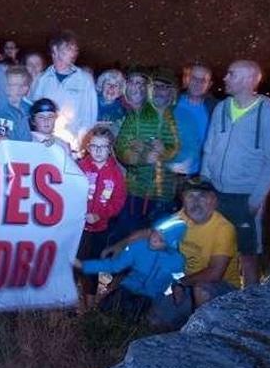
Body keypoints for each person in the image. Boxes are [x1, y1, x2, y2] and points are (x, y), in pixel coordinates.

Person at [106, 181, 240, 329]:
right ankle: (186, 323)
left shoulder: (223, 228)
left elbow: (215, 273)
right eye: (190, 196)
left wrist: (180, 283)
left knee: (202, 289)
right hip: (187, 284)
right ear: (183, 199)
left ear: (213, 200)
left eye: (202, 196)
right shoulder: (181, 217)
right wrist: (120, 245)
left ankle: (201, 336)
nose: (196, 202)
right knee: (152, 321)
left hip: (222, 291)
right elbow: (150, 233)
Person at [201, 60, 270, 287]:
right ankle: (221, 299)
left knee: (247, 255)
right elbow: (209, 147)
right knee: (216, 250)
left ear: (248, 79)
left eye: (231, 74)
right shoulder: (222, 108)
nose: (225, 78)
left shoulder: (267, 112)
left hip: (245, 196)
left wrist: (256, 199)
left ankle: (250, 305)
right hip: (216, 192)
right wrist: (205, 182)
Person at [76, 217, 186, 322]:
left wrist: (178, 289)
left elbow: (179, 278)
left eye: (161, 240)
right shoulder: (139, 247)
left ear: (170, 244)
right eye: (154, 233)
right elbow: (114, 265)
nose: (153, 240)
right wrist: (85, 265)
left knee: (131, 319)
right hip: (127, 288)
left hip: (150, 296)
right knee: (105, 313)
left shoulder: (176, 261)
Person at [114, 68, 180, 237]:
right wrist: (143, 156)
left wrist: (163, 152)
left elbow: (175, 147)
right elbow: (121, 147)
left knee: (156, 238)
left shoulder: (173, 116)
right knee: (128, 235)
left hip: (162, 191)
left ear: (172, 91)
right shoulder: (136, 115)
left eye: (164, 87)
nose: (159, 91)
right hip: (135, 189)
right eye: (155, 86)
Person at [75, 125, 127, 309]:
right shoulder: (80, 167)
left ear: (110, 148)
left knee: (91, 265)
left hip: (99, 229)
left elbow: (118, 200)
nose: (97, 151)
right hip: (77, 229)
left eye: (102, 146)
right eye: (94, 146)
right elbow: (71, 192)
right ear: (88, 147)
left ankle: (89, 305)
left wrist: (101, 215)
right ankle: (69, 301)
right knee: (74, 261)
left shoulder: (116, 173)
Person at [29, 30, 97, 149]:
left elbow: (90, 117)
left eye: (75, 50)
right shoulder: (41, 79)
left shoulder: (85, 80)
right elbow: (32, 113)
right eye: (69, 49)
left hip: (72, 146)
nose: (74, 53)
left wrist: (83, 145)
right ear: (55, 50)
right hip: (43, 145)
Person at [169, 63, 216, 177]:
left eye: (203, 80)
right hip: (166, 173)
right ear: (186, 79)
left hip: (197, 176)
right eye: (194, 78)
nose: (198, 83)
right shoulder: (170, 103)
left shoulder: (215, 110)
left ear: (209, 84)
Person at [96, 69, 127, 136]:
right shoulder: (90, 103)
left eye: (116, 85)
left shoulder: (122, 111)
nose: (111, 87)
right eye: (108, 84)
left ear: (120, 90)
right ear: (101, 86)